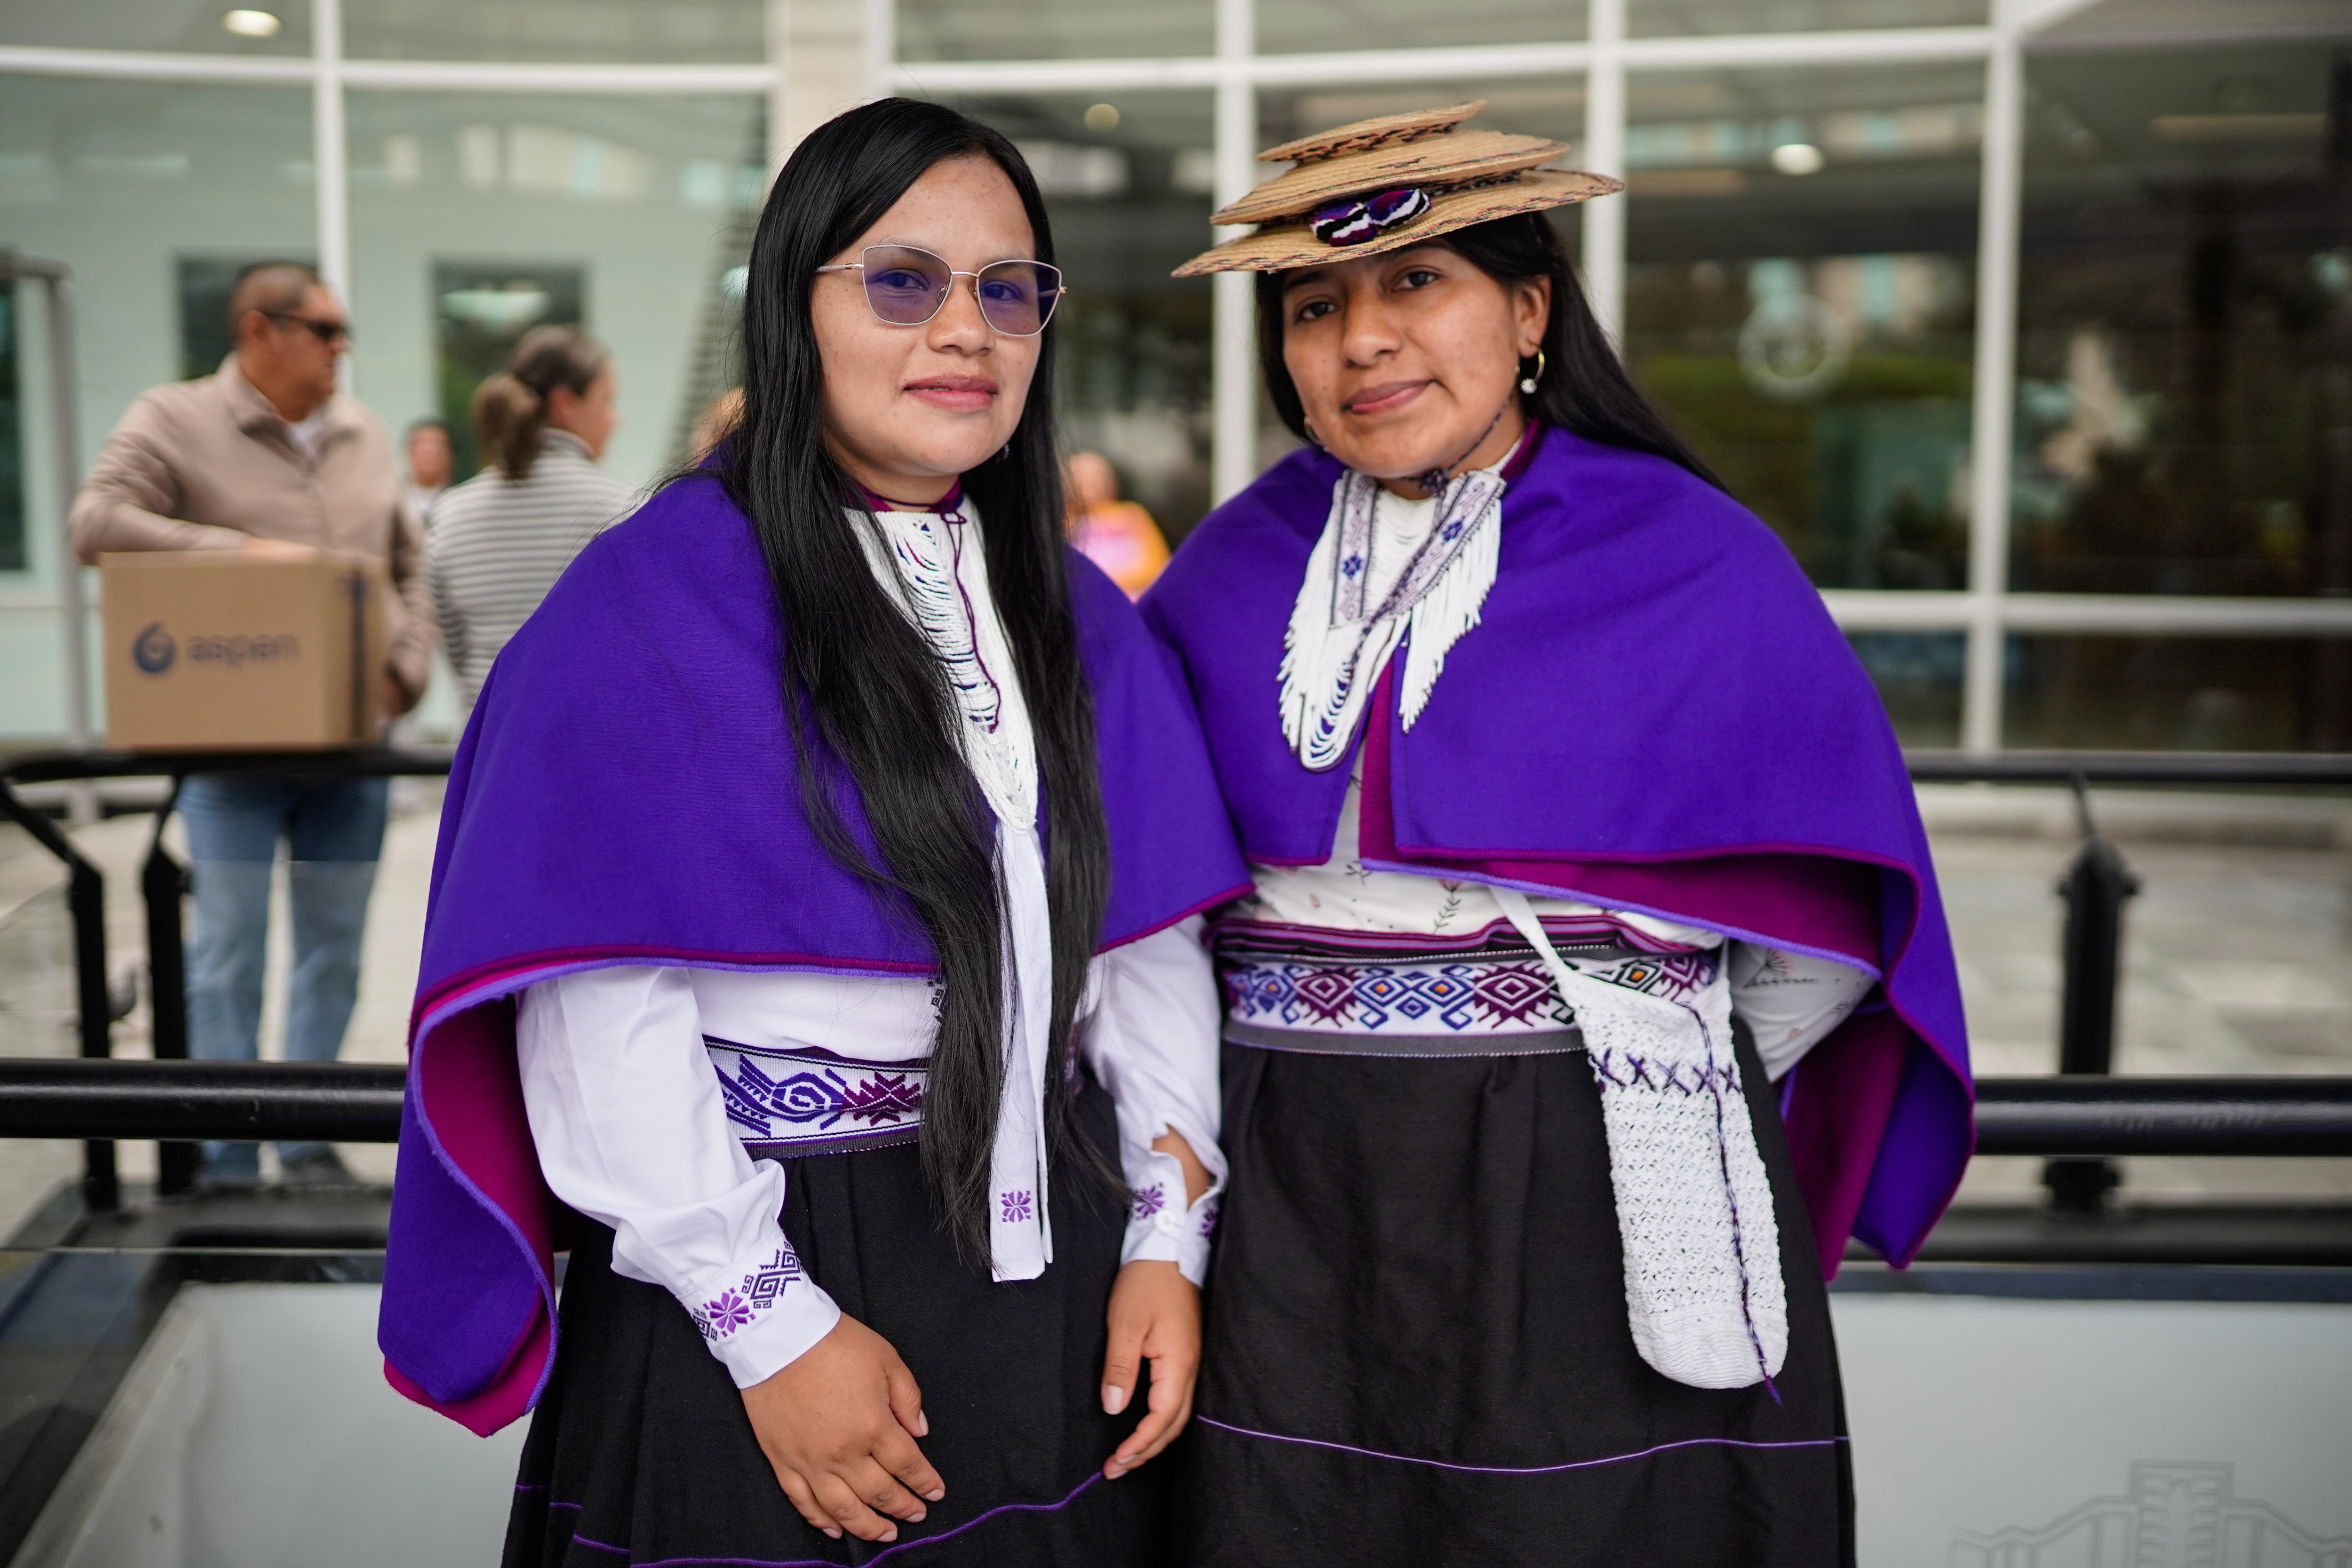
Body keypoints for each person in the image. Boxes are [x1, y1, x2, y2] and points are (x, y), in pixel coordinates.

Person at [378, 98, 1249, 1568]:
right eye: (901, 280)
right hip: (770, 1261)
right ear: (794, 306)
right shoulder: (643, 608)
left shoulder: (1081, 617)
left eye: (1006, 289)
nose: (963, 330)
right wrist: (762, 1318)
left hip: (1062, 1274)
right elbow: (597, 1001)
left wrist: (1168, 1236)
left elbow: (1146, 945)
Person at [1144, 102, 1975, 1566]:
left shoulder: (1692, 559)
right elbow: (1135, 910)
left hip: (1590, 1183)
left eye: (1417, 282)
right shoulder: (1227, 567)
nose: (1360, 342)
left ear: (1527, 309)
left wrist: (1609, 1047)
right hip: (1287, 1187)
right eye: (1313, 304)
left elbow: (1825, 938)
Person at [69, 260, 430, 1191]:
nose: (342, 346)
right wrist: (243, 555)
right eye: (325, 328)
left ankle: (305, 1140)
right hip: (233, 751)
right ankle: (228, 1150)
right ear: (259, 330)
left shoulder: (360, 431)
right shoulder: (175, 418)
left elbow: (408, 564)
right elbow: (96, 521)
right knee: (227, 950)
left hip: (353, 752)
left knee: (334, 949)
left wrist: (408, 667)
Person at [426, 327, 633, 709]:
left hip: (487, 750)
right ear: (565, 404)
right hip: (586, 743)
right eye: (607, 401)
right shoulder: (625, 509)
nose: (615, 419)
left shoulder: (450, 513)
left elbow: (457, 651)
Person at [1064, 450, 1169, 598]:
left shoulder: (1131, 515)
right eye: (1080, 481)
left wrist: (1110, 579)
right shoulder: (1067, 520)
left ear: (1111, 482)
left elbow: (1157, 563)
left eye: (1095, 481)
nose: (1088, 489)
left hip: (1128, 599)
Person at [403, 417, 453, 525]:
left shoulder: (459, 498)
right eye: (420, 443)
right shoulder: (393, 499)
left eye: (437, 444)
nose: (428, 450)